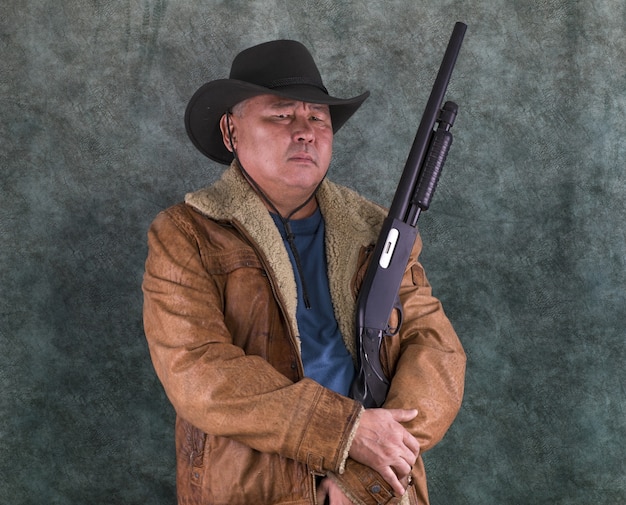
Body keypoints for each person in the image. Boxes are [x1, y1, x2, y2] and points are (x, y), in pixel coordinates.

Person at [142, 39, 465, 505]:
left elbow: (437, 352)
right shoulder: (186, 234)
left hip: (377, 489)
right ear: (231, 131)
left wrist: (364, 476)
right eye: (280, 114)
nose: (305, 130)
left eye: (317, 117)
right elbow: (198, 371)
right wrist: (346, 432)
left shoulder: (378, 233)